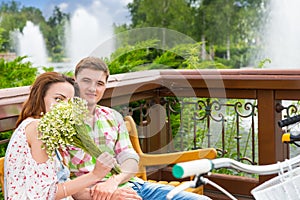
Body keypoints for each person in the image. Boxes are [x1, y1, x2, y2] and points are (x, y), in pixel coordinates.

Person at [64, 56, 211, 200]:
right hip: (96, 195)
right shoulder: (61, 123)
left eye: (99, 83)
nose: (93, 88)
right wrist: (110, 194)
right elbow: (62, 183)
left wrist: (113, 181)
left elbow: (130, 160)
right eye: (86, 81)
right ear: (75, 81)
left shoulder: (112, 117)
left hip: (135, 186)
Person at [4, 72, 117, 200]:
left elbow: (62, 186)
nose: (65, 107)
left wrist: (112, 196)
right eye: (58, 99)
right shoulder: (37, 128)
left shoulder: (48, 129)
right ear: (40, 98)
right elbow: (44, 194)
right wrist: (95, 175)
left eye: (70, 102)